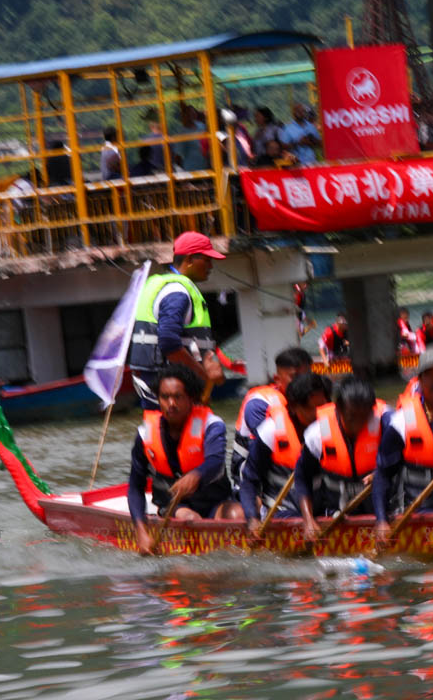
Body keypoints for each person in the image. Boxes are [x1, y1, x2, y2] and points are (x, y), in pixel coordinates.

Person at [127, 365, 241, 555]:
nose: (171, 403)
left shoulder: (212, 425)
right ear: (158, 399)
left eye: (178, 397)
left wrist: (196, 476)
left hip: (215, 501)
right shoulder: (145, 434)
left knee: (237, 515)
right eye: (165, 397)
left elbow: (215, 461)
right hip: (175, 506)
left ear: (191, 399)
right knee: (190, 518)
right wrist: (141, 531)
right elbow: (135, 487)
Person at [128, 231, 226, 410]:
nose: (211, 266)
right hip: (171, 391)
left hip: (163, 387)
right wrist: (203, 377)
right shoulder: (177, 293)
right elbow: (169, 342)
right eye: (207, 260)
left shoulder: (165, 286)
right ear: (189, 260)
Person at [372, 346, 433, 546]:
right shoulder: (401, 422)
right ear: (419, 381)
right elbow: (383, 474)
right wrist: (381, 520)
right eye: (430, 375)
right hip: (420, 512)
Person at [239, 372, 332, 542]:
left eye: (323, 407)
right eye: (312, 409)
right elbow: (249, 481)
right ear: (295, 407)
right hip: (281, 512)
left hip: (322, 511)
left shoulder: (329, 428)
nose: (319, 415)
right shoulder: (271, 431)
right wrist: (252, 519)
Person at [295, 378, 390, 540]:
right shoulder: (317, 434)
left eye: (364, 417)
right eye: (352, 417)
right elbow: (302, 478)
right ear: (338, 409)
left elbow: (404, 463)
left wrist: (382, 472)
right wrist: (308, 520)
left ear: (372, 411)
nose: (358, 425)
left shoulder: (387, 424)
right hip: (337, 515)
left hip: (383, 516)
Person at [233, 347, 316, 488]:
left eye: (306, 376)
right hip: (257, 479)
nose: (303, 384)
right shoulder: (259, 404)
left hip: (299, 475)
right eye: (295, 378)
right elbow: (264, 452)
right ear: (278, 379)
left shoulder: (318, 399)